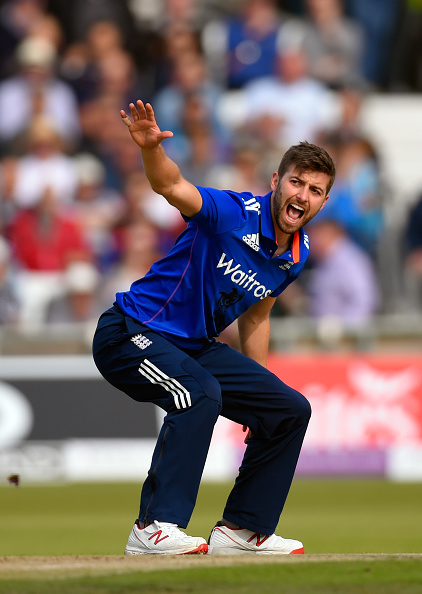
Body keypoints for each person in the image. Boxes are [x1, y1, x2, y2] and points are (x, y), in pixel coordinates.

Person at [92, 100, 336, 556]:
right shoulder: (232, 212)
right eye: (296, 182)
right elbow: (170, 184)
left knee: (287, 409)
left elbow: (257, 315)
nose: (303, 195)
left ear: (324, 201)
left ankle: (243, 530)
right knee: (199, 393)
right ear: (276, 182)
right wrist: (150, 149)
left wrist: (256, 402)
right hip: (131, 331)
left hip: (194, 346)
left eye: (315, 190)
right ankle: (153, 527)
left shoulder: (297, 252)